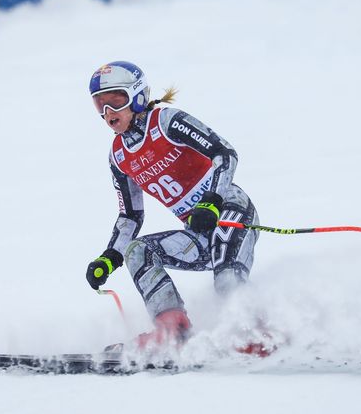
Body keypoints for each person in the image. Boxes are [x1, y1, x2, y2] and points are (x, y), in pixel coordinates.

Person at [85, 61, 259, 349]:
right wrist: (109, 257)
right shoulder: (118, 156)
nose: (108, 113)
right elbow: (130, 215)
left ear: (138, 96)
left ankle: (259, 332)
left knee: (228, 283)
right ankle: (173, 332)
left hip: (230, 210)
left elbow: (225, 153)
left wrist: (212, 201)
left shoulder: (165, 121)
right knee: (138, 251)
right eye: (99, 105)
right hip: (198, 232)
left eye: (116, 100)